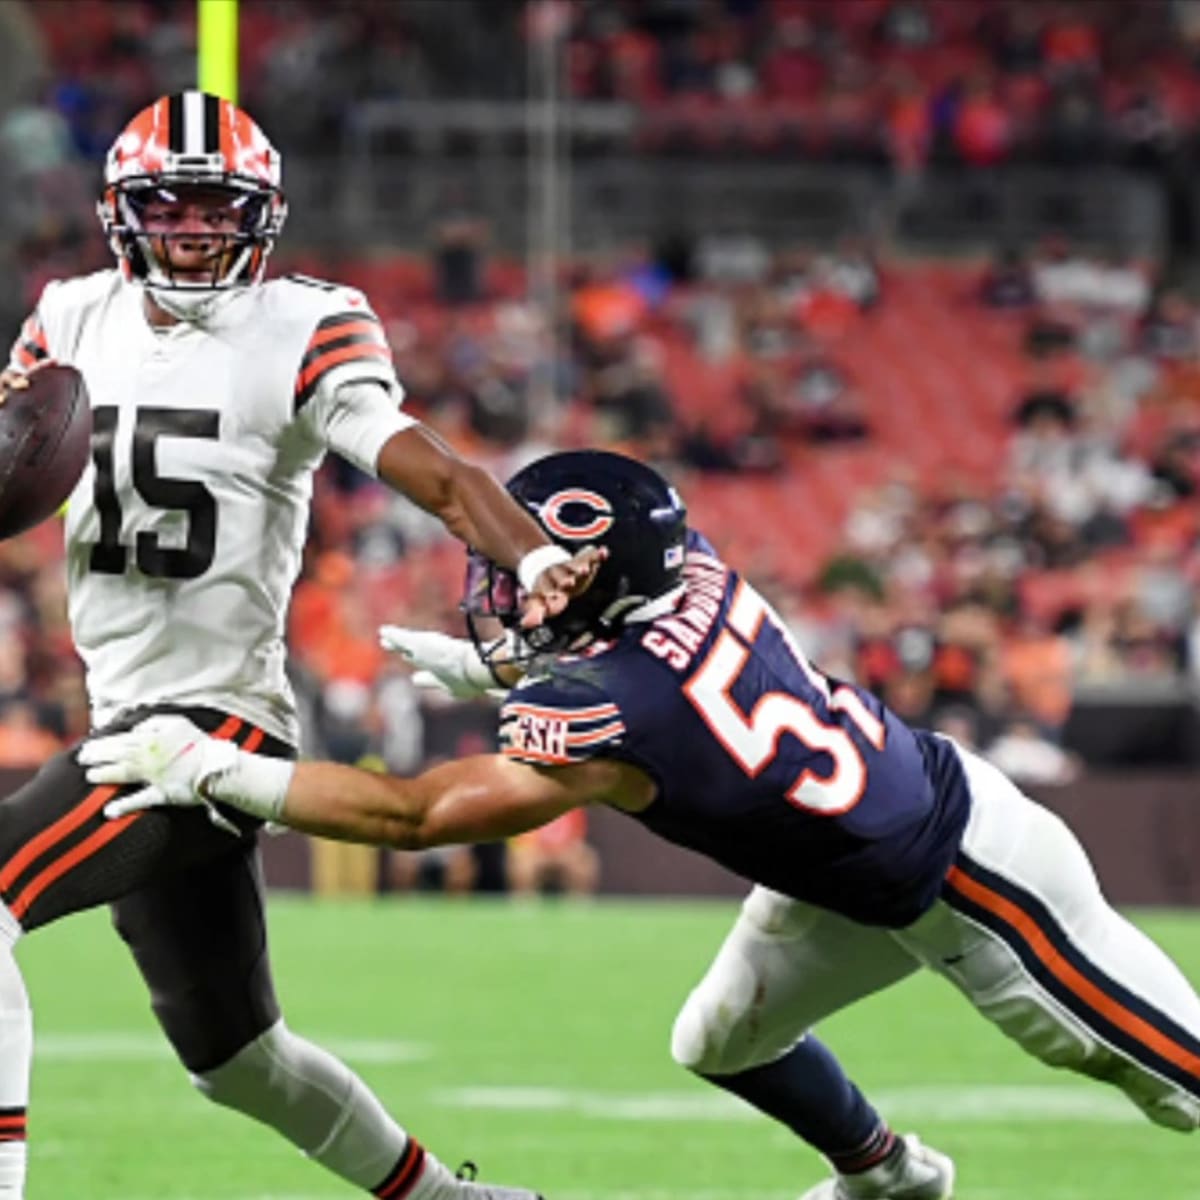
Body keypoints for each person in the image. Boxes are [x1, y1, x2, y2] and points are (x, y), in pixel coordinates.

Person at [84, 450, 1200, 1200]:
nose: (516, 580)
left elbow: (415, 813)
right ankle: (888, 1176)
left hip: (975, 884)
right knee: (721, 1041)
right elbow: (646, 656)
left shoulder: (621, 708)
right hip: (848, 860)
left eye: (541, 565)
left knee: (1180, 1090)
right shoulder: (689, 565)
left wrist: (214, 771)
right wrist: (493, 667)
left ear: (599, 572)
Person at [0, 91, 607, 1200]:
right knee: (238, 1062)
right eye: (167, 206)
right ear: (120, 213)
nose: (190, 229)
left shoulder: (307, 323)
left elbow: (426, 462)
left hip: (208, 723)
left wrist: (529, 559)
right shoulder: (69, 314)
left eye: (214, 208)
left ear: (262, 217)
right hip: (123, 713)